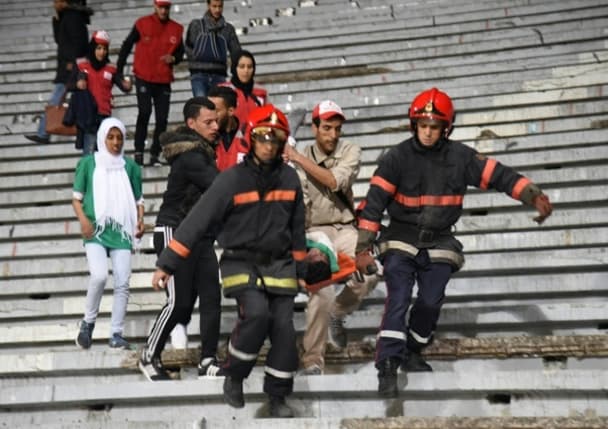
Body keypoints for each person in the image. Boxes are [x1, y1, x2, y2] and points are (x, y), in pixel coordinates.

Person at [354, 88, 554, 398]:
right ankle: (388, 364)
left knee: (431, 301)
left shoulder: (461, 157)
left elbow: (499, 175)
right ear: (413, 125)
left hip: (441, 242)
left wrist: (533, 195)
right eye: (423, 126)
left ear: (446, 128)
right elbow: (374, 204)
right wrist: (363, 249)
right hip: (400, 239)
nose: (428, 133)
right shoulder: (396, 157)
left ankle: (414, 349)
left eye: (435, 127)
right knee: (398, 297)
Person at [152, 104, 305, 418]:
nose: (268, 145)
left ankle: (277, 396)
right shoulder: (232, 179)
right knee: (257, 315)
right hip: (241, 262)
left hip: (280, 265)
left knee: (285, 332)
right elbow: (197, 220)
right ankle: (235, 374)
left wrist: (302, 271)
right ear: (252, 139)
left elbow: (297, 229)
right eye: (263, 138)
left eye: (275, 140)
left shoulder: (290, 179)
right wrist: (167, 263)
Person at [283, 100, 378, 375]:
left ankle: (338, 312)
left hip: (346, 227)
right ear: (314, 128)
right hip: (314, 231)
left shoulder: (350, 150)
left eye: (337, 128)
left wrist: (298, 158)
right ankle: (313, 358)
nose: (332, 135)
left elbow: (337, 181)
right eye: (326, 128)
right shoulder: (296, 159)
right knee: (321, 286)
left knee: (371, 273)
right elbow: (298, 204)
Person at [138, 97, 222, 381]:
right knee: (179, 303)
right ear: (191, 124)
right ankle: (148, 356)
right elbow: (221, 185)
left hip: (199, 235)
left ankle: (208, 359)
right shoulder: (191, 156)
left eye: (217, 121)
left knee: (211, 295)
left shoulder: (204, 152)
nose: (215, 127)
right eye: (208, 122)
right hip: (173, 231)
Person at [72, 117, 145, 350]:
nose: (115, 142)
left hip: (122, 230)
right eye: (111, 137)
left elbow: (138, 200)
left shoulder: (130, 167)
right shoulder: (88, 164)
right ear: (103, 138)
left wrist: (140, 220)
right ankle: (87, 323)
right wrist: (83, 220)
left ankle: (116, 332)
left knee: (123, 281)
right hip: (95, 228)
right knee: (100, 276)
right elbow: (76, 199)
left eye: (119, 138)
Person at [116, 0, 184, 167]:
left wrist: (174, 58)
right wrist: (119, 71)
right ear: (155, 6)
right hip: (143, 76)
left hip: (163, 79)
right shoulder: (142, 24)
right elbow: (126, 45)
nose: (163, 10)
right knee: (144, 112)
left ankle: (155, 154)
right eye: (161, 7)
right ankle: (139, 151)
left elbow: (181, 53)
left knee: (162, 119)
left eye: (166, 7)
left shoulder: (176, 28)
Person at [26, 0, 93, 144]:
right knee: (62, 98)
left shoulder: (72, 17)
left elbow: (80, 43)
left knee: (57, 98)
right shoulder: (66, 17)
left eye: (57, 1)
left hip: (70, 67)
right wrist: (57, 21)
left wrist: (72, 62)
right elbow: (60, 41)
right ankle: (44, 132)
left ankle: (44, 133)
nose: (54, 4)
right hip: (68, 65)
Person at [69, 30, 132, 155]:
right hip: (88, 116)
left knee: (104, 153)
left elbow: (123, 85)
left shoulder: (111, 68)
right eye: (98, 48)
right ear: (93, 48)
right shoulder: (82, 65)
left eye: (104, 49)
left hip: (104, 116)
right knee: (90, 153)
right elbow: (69, 85)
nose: (102, 52)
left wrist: (128, 85)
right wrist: (77, 84)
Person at [185, 0, 242, 97]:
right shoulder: (196, 25)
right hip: (199, 74)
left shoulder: (228, 29)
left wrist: (235, 72)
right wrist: (196, 61)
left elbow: (236, 52)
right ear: (208, 5)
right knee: (202, 107)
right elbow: (188, 47)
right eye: (214, 6)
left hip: (219, 75)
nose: (217, 9)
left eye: (220, 6)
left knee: (218, 108)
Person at [219, 49, 267, 130]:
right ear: (234, 68)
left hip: (255, 138)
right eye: (242, 66)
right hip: (230, 140)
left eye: (249, 67)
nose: (246, 71)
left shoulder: (262, 91)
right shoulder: (222, 90)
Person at [207, 85, 249, 171]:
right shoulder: (204, 137)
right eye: (209, 110)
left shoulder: (249, 135)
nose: (211, 116)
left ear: (231, 111)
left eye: (216, 111)